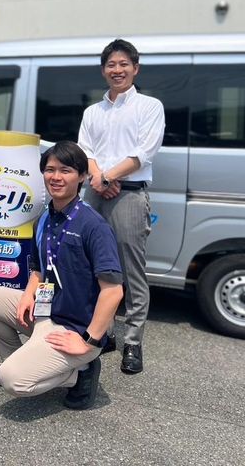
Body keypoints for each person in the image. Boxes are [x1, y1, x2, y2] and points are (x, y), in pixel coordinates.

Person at [0, 141, 124, 410]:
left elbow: (113, 291)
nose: (56, 177)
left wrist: (88, 341)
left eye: (65, 170)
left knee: (12, 381)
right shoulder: (43, 219)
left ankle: (80, 372)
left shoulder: (93, 226)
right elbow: (38, 269)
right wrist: (28, 295)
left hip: (76, 329)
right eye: (50, 169)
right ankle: (22, 363)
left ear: (82, 176)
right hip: (46, 312)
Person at [77, 38, 165, 374]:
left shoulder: (149, 107)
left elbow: (144, 152)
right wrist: (99, 178)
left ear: (135, 68)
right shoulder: (92, 111)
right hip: (95, 192)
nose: (117, 70)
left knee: (131, 270)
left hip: (128, 194)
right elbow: (86, 151)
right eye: (111, 65)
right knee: (94, 265)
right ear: (103, 70)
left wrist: (107, 177)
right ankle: (102, 333)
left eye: (123, 64)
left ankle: (133, 342)